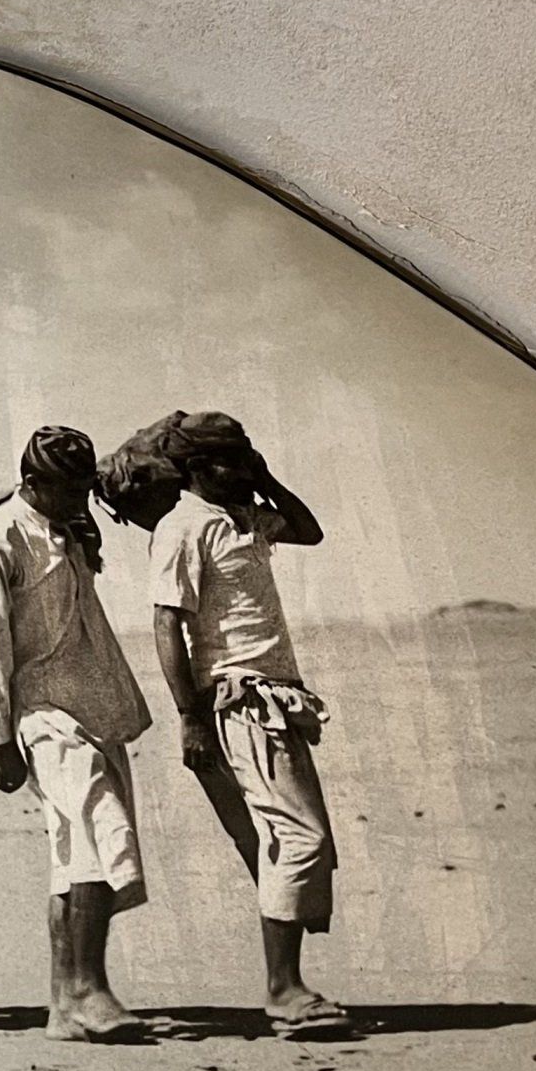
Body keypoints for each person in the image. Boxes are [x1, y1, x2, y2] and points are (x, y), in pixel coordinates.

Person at [147, 411, 351, 1038]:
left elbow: (310, 531)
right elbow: (166, 626)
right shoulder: (184, 526)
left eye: (247, 457)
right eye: (234, 460)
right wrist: (190, 719)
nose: (244, 468)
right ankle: (284, 992)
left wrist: (264, 477)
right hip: (238, 701)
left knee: (285, 840)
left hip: (279, 698)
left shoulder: (244, 517)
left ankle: (288, 989)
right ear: (200, 468)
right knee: (298, 838)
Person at [0, 427, 152, 1042]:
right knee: (101, 828)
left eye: (82, 491)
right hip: (40, 713)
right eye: (66, 491)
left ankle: (64, 1005)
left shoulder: (70, 531)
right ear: (32, 483)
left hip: (93, 706)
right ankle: (90, 990)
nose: (78, 501)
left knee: (73, 854)